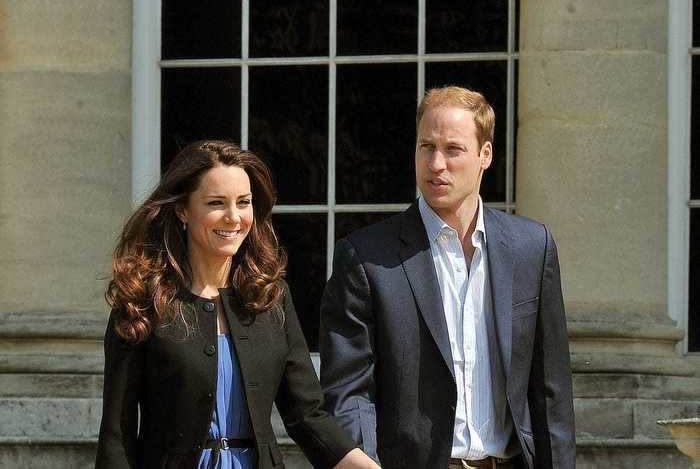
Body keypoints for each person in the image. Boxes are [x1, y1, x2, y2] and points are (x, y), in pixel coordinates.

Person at [319, 87, 575, 469]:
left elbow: (550, 392)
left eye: (453, 149)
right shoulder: (367, 257)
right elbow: (349, 391)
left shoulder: (530, 248)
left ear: (484, 155)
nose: (436, 164)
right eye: (426, 147)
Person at [96, 140, 380, 469]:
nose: (234, 218)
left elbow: (307, 416)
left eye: (243, 203)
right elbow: (117, 433)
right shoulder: (142, 300)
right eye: (217, 203)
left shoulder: (271, 298)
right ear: (183, 210)